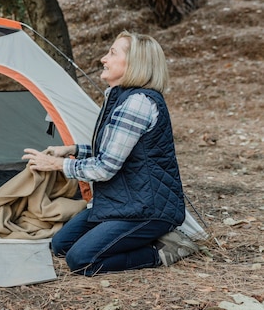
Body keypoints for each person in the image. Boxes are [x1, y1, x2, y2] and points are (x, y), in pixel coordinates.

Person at [22, 31, 198, 276]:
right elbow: (116, 151)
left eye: (112, 53)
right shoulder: (118, 96)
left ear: (135, 62)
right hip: (122, 202)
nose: (104, 59)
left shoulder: (138, 103)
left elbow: (104, 168)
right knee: (60, 245)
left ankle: (164, 249)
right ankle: (130, 239)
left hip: (146, 209)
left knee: (81, 260)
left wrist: (56, 164)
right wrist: (71, 150)